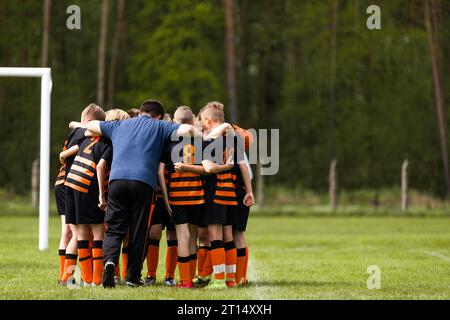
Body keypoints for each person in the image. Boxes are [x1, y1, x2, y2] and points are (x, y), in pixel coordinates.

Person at [85, 100, 202, 288]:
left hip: (117, 181)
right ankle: (132, 277)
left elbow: (90, 125)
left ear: (141, 112)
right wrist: (202, 136)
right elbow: (186, 130)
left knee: (115, 227)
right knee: (139, 230)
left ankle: (109, 262)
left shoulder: (119, 124)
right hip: (143, 182)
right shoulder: (160, 126)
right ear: (158, 116)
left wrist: (79, 125)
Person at [60, 104, 106, 284]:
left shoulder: (78, 132)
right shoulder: (100, 138)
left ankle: (68, 277)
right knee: (95, 231)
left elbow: (73, 127)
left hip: (68, 182)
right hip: (86, 183)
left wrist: (62, 155)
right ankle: (93, 279)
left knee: (76, 233)